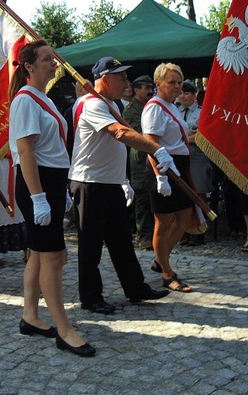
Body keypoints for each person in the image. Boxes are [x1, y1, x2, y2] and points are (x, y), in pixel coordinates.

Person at [9, 40, 94, 357]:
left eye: (53, 58)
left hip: (50, 182)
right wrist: (39, 197)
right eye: (47, 59)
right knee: (54, 258)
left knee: (39, 253)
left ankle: (30, 315)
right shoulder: (25, 101)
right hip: (38, 183)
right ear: (29, 66)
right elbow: (26, 151)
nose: (54, 63)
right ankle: (65, 329)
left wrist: (58, 193)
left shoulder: (39, 98)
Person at [70, 56, 173, 315]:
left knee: (121, 240)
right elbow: (120, 133)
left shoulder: (109, 103)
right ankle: (91, 297)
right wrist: (156, 149)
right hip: (89, 183)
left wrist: (124, 180)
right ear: (105, 79)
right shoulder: (92, 104)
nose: (126, 82)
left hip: (109, 182)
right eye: (121, 78)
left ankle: (135, 288)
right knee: (91, 244)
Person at [141, 63, 196, 291]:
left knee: (183, 219)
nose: (176, 86)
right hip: (163, 167)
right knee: (163, 223)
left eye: (178, 82)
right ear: (158, 84)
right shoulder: (154, 108)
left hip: (179, 165)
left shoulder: (171, 106)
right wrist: (160, 176)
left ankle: (159, 258)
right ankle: (166, 272)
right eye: (171, 82)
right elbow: (151, 144)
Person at [177, 79, 213, 246]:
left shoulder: (201, 112)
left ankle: (200, 231)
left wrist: (184, 137)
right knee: (182, 194)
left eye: (186, 93)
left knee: (199, 192)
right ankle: (184, 230)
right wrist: (189, 136)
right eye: (181, 93)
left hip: (197, 157)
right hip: (181, 157)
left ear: (194, 95)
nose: (183, 96)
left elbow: (202, 136)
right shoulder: (175, 111)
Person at [122, 75, 155, 250]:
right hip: (140, 160)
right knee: (142, 198)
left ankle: (157, 234)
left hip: (154, 157)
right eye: (146, 87)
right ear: (136, 90)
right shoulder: (130, 110)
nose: (150, 91)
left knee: (155, 197)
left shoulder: (151, 106)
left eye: (151, 87)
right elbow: (136, 134)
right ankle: (144, 236)